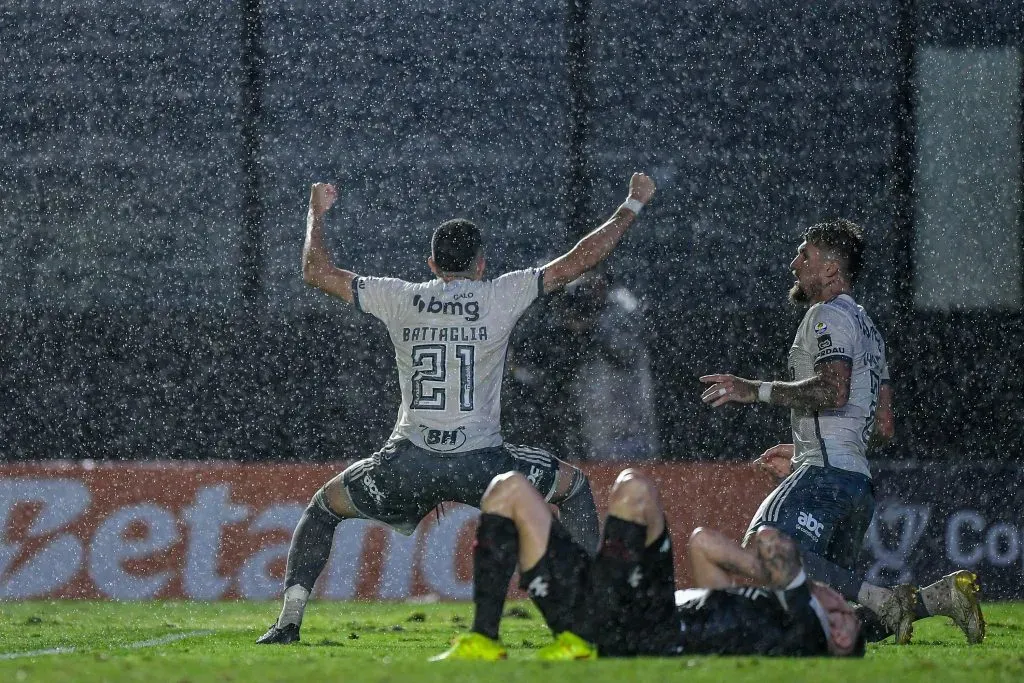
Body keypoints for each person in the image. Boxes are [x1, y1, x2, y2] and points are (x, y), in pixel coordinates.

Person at [257, 172, 656, 644]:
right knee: (574, 488)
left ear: (431, 264)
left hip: (408, 461)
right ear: (482, 265)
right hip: (482, 465)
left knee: (323, 510)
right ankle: (587, 611)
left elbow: (316, 272)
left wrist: (315, 214)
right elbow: (579, 261)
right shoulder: (500, 295)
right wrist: (630, 205)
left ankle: (288, 622)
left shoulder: (401, 297)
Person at [698, 219, 983, 645]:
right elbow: (882, 427)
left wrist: (752, 390)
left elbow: (834, 390)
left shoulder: (825, 314)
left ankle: (882, 597)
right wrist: (802, 449)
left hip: (827, 476)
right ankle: (935, 600)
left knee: (762, 547)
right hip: (856, 485)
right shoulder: (870, 329)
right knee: (823, 622)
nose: (795, 263)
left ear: (831, 271)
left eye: (805, 255)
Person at [431, 468, 864, 661]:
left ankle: (592, 615)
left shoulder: (806, 630)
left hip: (646, 626)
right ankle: (484, 640)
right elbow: (704, 545)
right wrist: (772, 583)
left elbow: (771, 542)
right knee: (508, 489)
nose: (838, 601)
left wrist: (808, 589)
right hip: (619, 608)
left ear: (841, 633)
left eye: (844, 610)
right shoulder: (760, 618)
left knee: (635, 488)